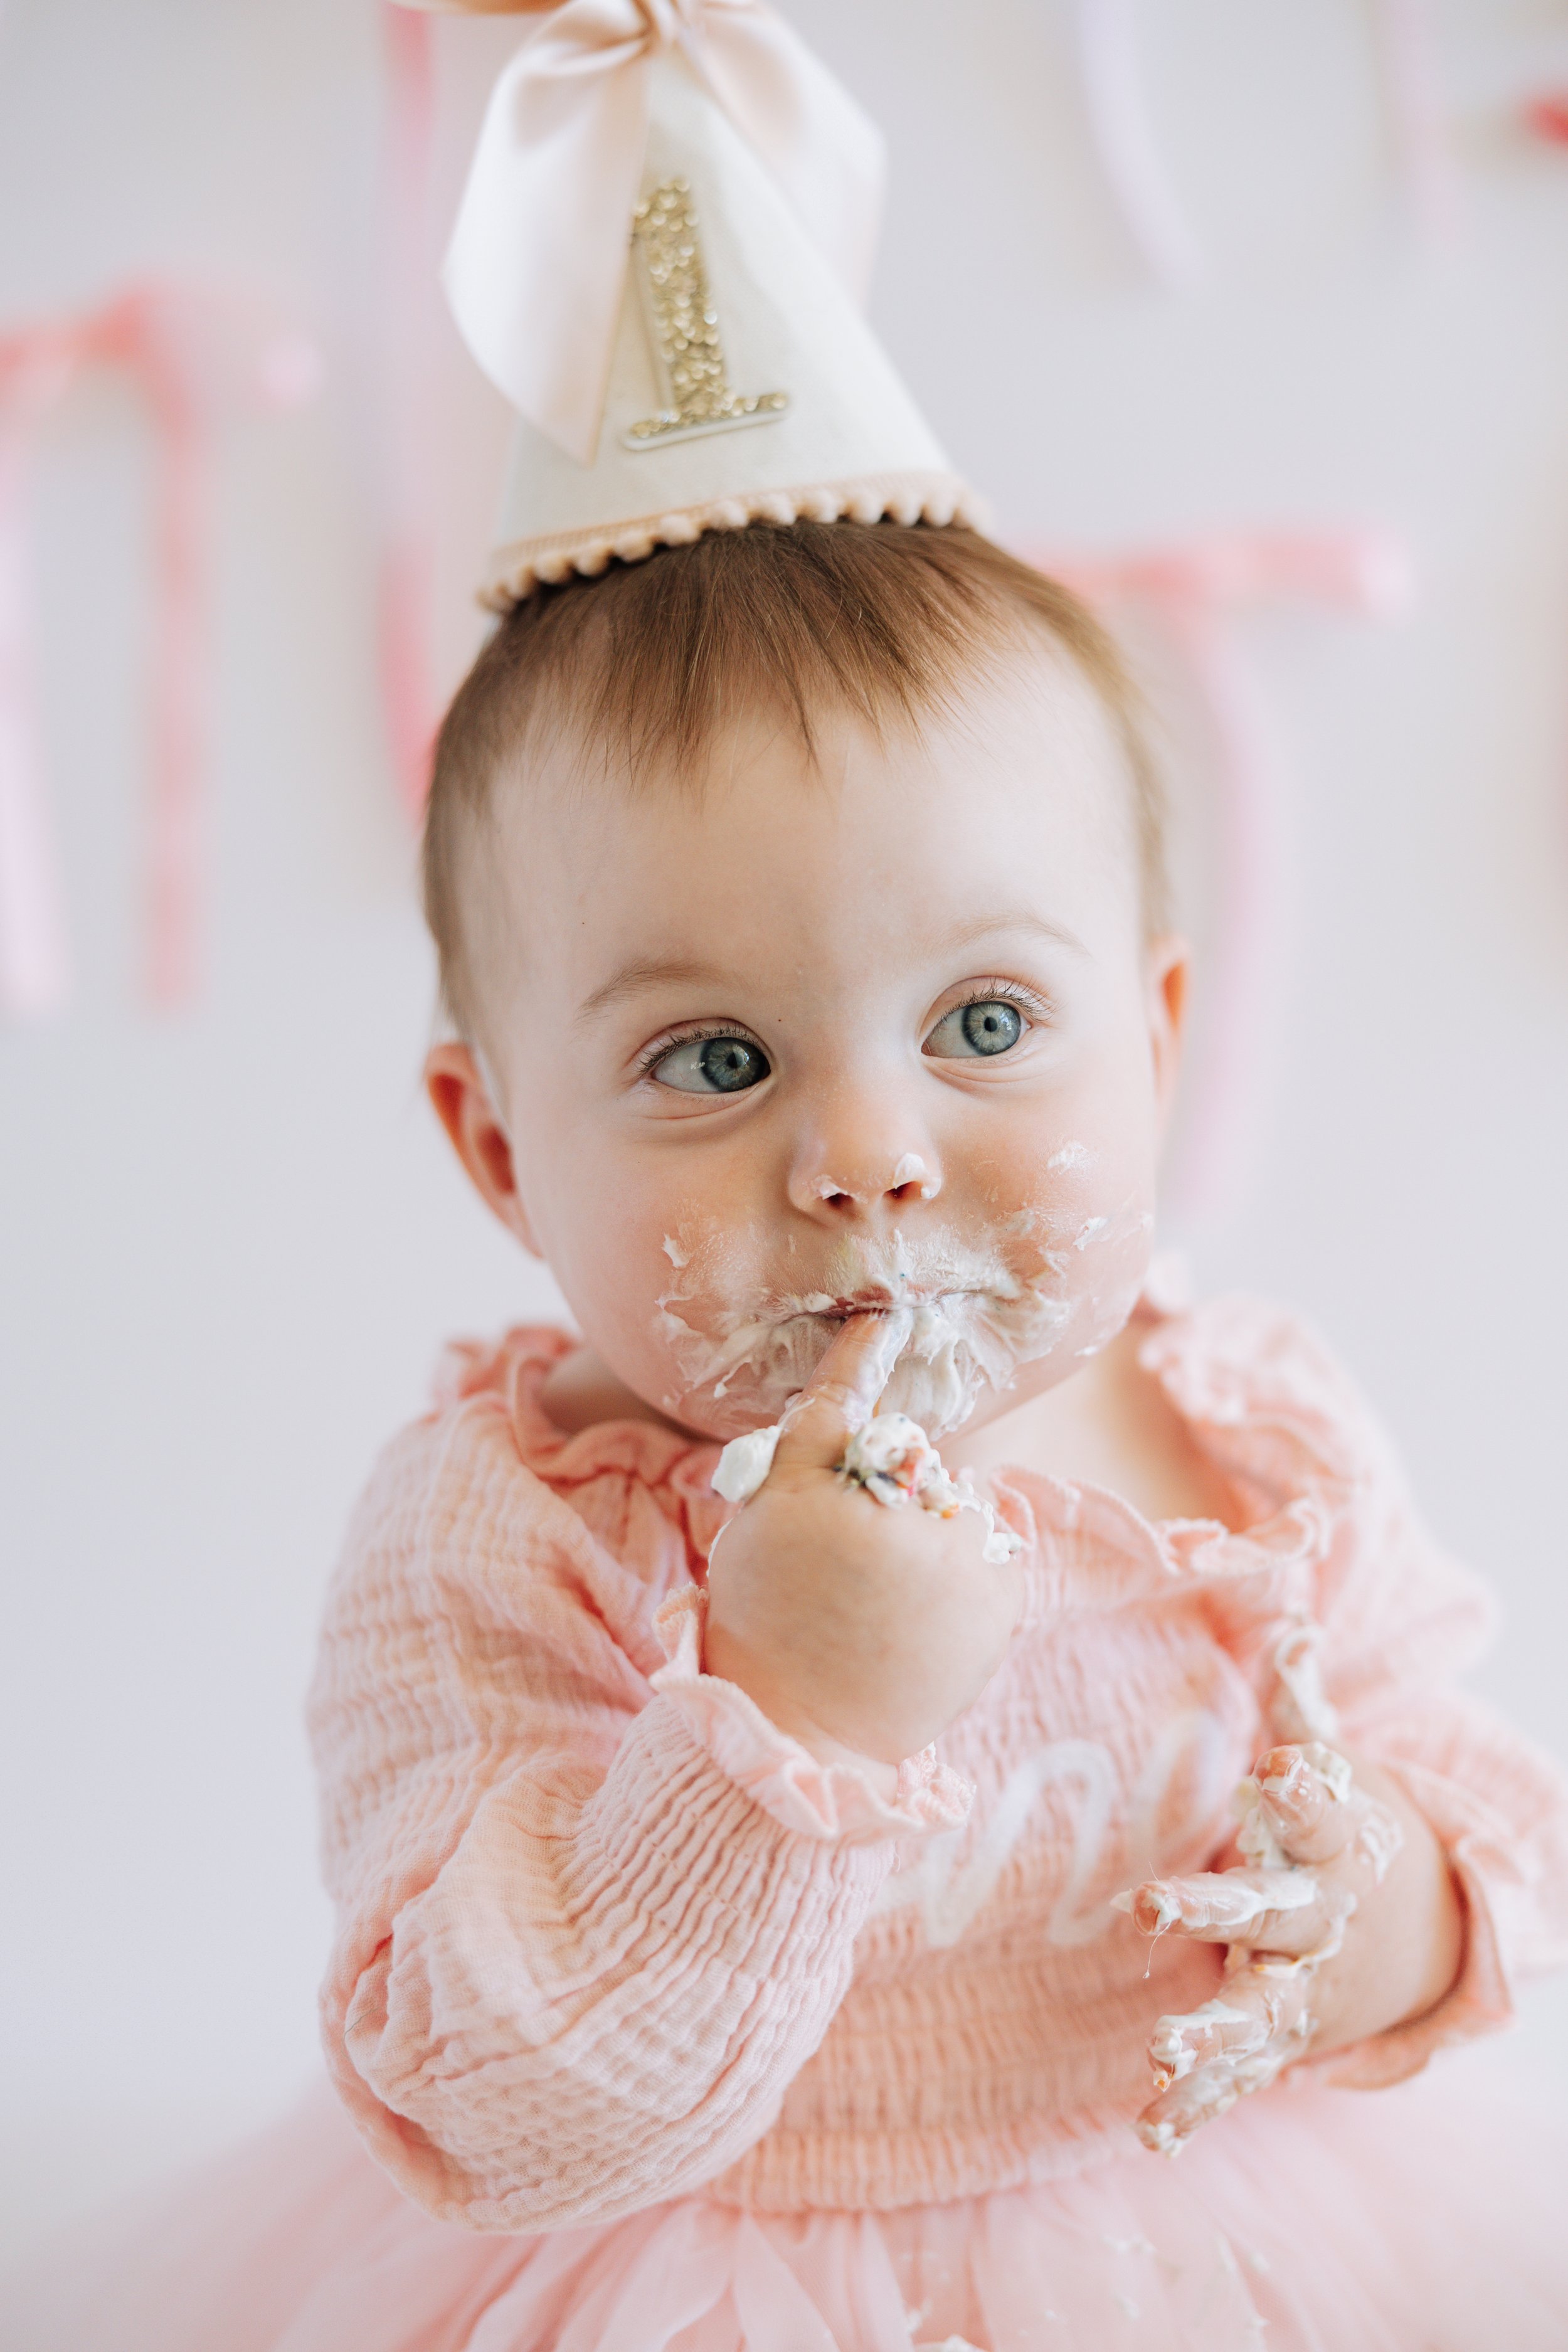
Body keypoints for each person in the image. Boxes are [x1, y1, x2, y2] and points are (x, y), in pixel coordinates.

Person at [13, 5, 1568, 2347]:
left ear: (1147, 1038)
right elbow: (493, 2106)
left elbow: (1477, 1797)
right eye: (715, 1057)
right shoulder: (514, 1548)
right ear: (498, 1146)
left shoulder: (1247, 1430)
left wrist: (1395, 1921)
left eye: (979, 1027)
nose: (866, 1160)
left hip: (1244, 2255)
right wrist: (787, 1721)